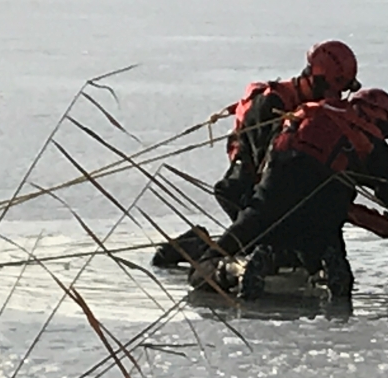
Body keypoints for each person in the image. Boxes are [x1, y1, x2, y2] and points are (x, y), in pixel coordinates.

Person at [189, 88, 388, 300]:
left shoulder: (308, 113)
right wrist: (368, 177)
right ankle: (321, 270)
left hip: (268, 205)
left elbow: (266, 159)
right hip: (320, 225)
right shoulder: (370, 142)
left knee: (201, 270)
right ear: (380, 121)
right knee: (318, 239)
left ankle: (237, 268)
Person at [152, 40, 361, 268]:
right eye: (334, 90)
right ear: (316, 78)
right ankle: (195, 247)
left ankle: (209, 246)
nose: (336, 97)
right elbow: (269, 166)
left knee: (280, 246)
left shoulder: (315, 110)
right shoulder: (270, 104)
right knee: (261, 244)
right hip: (242, 188)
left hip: (266, 190)